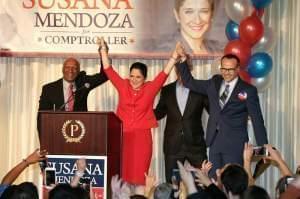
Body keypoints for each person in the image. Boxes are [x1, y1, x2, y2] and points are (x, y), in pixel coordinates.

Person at [175, 45, 268, 176]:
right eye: (223, 69)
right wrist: (183, 60)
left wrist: (264, 146)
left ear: (238, 69)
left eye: (230, 69)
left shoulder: (248, 90)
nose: (226, 72)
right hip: (214, 143)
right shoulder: (214, 82)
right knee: (214, 182)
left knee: (232, 184)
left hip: (235, 145)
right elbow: (189, 82)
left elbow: (257, 120)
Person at [99, 38, 178, 187]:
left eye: (138, 77)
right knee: (122, 175)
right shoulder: (123, 85)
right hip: (123, 137)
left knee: (140, 176)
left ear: (144, 78)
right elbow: (108, 70)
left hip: (142, 138)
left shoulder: (150, 89)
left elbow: (163, 74)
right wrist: (103, 49)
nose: (134, 80)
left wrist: (174, 57)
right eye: (132, 76)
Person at [154, 55, 209, 183]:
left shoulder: (201, 88)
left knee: (202, 183)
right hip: (172, 145)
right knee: (172, 185)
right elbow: (159, 113)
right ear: (175, 69)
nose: (181, 70)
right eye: (178, 67)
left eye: (185, 66)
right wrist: (142, 110)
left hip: (196, 146)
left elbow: (213, 112)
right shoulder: (167, 90)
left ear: (190, 68)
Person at [38, 57, 107, 112]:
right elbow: (42, 117)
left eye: (74, 68)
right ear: (63, 69)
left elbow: (104, 76)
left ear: (78, 71)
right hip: (57, 127)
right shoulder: (49, 89)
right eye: (67, 67)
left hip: (80, 127)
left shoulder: (84, 83)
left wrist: (103, 54)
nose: (70, 71)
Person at [156, 0, 223, 54]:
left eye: (204, 11)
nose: (197, 21)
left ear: (211, 15)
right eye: (189, 12)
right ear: (177, 15)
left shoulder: (218, 50)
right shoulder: (164, 52)